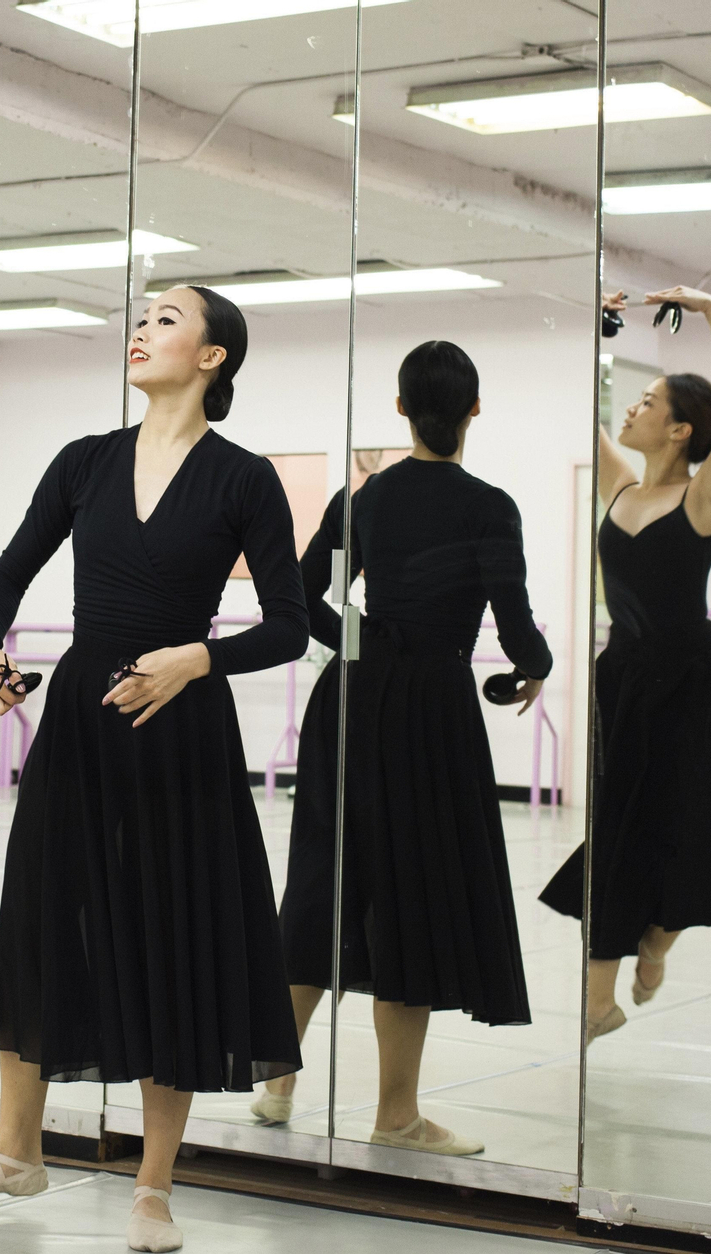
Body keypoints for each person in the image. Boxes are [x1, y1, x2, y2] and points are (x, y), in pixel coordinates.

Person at [0, 285, 308, 1253]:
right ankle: (15, 1153)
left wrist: (196, 657)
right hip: (85, 721)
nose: (141, 330)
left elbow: (291, 627)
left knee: (167, 932)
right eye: (141, 317)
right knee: (49, 921)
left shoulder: (242, 479)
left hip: (180, 727)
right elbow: (3, 575)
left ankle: (153, 1186)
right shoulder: (84, 462)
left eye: (167, 319)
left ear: (213, 358)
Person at [259, 341, 552, 1156]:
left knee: (325, 879)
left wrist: (359, 639)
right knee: (409, 897)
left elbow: (300, 588)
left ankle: (277, 1079)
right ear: (474, 410)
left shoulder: (367, 500)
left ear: (399, 410)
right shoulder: (490, 507)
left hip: (352, 697)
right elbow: (514, 625)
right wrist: (536, 669)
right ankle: (396, 1117)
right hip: (430, 709)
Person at [540, 288, 711, 1043]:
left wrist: (710, 312)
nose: (630, 410)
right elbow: (579, 402)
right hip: (628, 678)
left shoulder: (705, 499)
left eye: (647, 401)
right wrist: (598, 333)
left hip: (696, 686)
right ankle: (599, 1000)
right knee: (621, 830)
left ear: (680, 428)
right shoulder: (622, 489)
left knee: (696, 824)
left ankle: (662, 934)